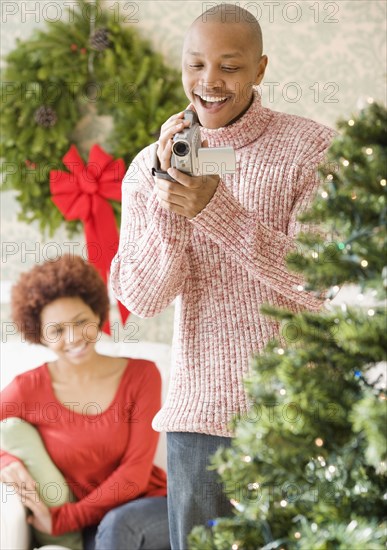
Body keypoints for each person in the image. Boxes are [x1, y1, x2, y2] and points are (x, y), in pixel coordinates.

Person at [110, 3, 335, 548]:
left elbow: (322, 285)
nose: (209, 82)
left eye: (229, 67)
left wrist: (215, 211)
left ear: (259, 68)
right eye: (196, 65)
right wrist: (171, 206)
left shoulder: (312, 149)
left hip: (297, 417)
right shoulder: (151, 165)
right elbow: (142, 297)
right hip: (199, 421)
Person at [0, 254, 170, 550]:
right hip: (95, 527)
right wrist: (8, 461)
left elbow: (135, 474)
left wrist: (63, 519)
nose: (74, 337)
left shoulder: (143, 376)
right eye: (57, 331)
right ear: (40, 335)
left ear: (97, 315)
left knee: (118, 526)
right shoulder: (27, 388)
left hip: (151, 507)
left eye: (81, 322)